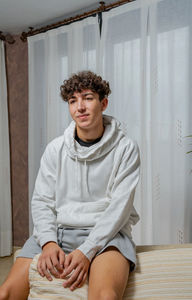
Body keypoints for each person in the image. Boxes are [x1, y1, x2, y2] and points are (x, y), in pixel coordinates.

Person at [0, 70, 140, 300]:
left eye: (87, 97)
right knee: (5, 293)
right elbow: (42, 201)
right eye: (73, 101)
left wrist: (87, 250)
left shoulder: (126, 148)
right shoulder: (55, 149)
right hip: (58, 230)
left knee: (106, 297)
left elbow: (119, 208)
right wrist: (47, 242)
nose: (80, 107)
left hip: (108, 236)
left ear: (103, 103)